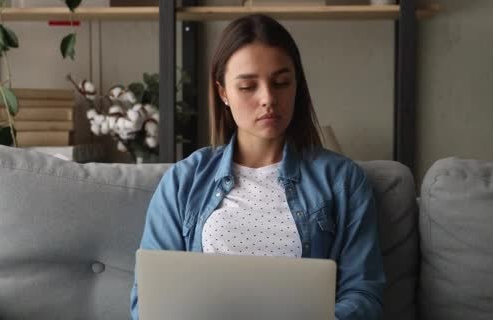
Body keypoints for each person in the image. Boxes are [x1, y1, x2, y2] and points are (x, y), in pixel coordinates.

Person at [130, 14, 385, 320]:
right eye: (248, 86)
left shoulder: (342, 181)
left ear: (297, 85)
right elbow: (148, 302)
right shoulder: (183, 181)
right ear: (223, 92)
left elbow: (363, 294)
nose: (268, 99)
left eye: (281, 83)